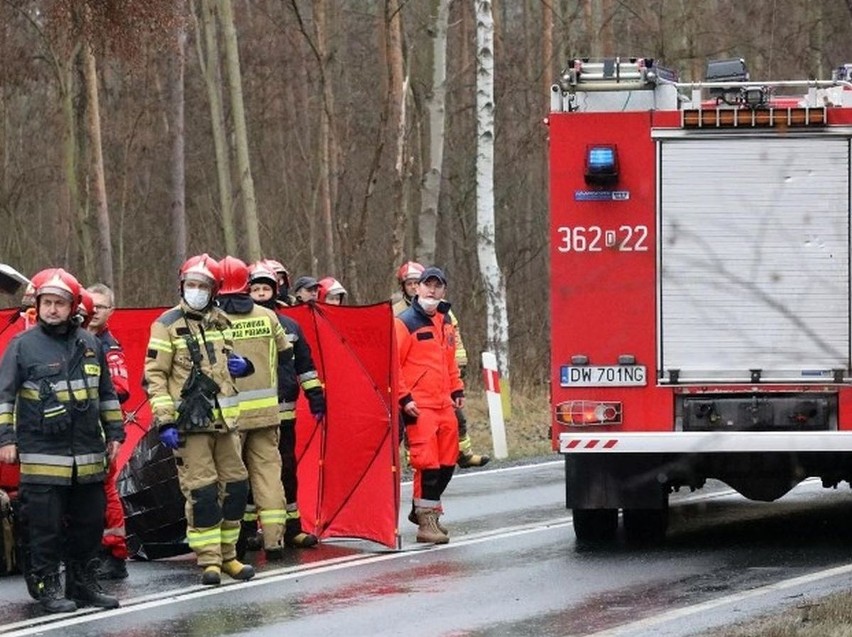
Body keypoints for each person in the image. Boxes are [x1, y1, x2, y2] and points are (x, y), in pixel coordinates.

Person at [0, 268, 124, 612]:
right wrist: (5, 439)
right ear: (37, 306)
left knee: (89, 524)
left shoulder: (90, 344)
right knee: (45, 528)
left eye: (59, 303)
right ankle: (47, 585)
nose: (52, 309)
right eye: (47, 303)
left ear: (74, 307)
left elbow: (106, 394)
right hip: (41, 457)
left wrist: (115, 433)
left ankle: (82, 583)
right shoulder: (22, 346)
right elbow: (4, 398)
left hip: (87, 457)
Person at [144, 254, 255, 586]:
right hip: (190, 424)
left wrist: (243, 366)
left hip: (225, 420)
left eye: (203, 286)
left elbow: (224, 365)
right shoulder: (166, 325)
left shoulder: (221, 322)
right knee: (202, 492)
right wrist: (165, 421)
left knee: (235, 487)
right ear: (182, 286)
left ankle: (229, 555)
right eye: (191, 285)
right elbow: (155, 376)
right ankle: (209, 560)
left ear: (214, 290)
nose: (196, 291)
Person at [216, 257, 293, 560]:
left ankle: (232, 545)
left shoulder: (214, 319)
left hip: (231, 415)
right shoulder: (268, 317)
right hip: (267, 412)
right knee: (269, 477)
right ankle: (274, 542)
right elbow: (285, 355)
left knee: (232, 479)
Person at [248, 261, 325, 547]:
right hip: (249, 416)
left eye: (265, 288)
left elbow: (305, 366)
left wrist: (315, 395)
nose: (260, 294)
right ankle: (248, 532)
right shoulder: (236, 326)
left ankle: (292, 527)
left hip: (284, 411)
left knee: (286, 470)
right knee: (248, 473)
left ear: (275, 291)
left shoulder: (291, 326)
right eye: (255, 289)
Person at [394, 261, 489, 470]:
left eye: (414, 282)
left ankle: (462, 454)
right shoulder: (398, 314)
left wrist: (458, 374)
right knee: (412, 430)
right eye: (409, 283)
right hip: (413, 388)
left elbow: (451, 340)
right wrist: (403, 394)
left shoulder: (443, 311)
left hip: (442, 383)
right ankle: (415, 461)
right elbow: (394, 358)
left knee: (456, 421)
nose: (412, 287)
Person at [395, 266, 464, 544]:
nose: (432, 290)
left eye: (437, 286)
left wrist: (457, 388)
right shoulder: (405, 322)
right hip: (419, 405)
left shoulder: (445, 320)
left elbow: (449, 361)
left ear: (443, 290)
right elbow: (393, 366)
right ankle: (427, 522)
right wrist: (404, 398)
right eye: (427, 285)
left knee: (449, 460)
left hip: (443, 402)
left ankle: (424, 510)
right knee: (428, 464)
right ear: (418, 288)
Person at [85, 283, 131, 580]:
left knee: (105, 489)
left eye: (100, 307)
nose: (94, 312)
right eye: (90, 305)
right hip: (80, 428)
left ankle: (114, 554)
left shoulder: (108, 346)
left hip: (102, 428)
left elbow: (121, 389)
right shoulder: (79, 339)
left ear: (110, 311)